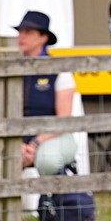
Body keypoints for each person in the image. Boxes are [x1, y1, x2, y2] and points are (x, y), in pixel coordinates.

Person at [14, 11, 76, 170]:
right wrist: (18, 144)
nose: (21, 37)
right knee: (0, 157)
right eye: (20, 32)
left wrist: (36, 143)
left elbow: (64, 120)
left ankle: (54, 188)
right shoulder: (11, 68)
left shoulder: (59, 70)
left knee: (48, 160)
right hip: (17, 136)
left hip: (54, 135)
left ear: (43, 38)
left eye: (28, 32)